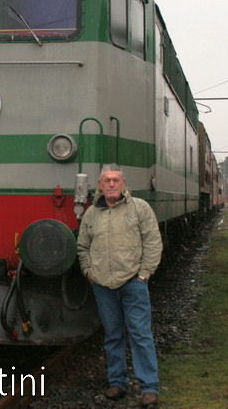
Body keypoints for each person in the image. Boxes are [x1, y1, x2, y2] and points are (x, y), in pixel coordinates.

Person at [77, 164, 163, 407]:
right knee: (112, 335)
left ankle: (149, 386)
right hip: (102, 284)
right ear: (100, 185)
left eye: (116, 180)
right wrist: (88, 272)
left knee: (140, 334)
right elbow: (82, 247)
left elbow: (153, 242)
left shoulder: (140, 208)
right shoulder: (92, 214)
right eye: (107, 181)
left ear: (124, 184)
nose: (112, 184)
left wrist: (144, 274)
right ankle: (117, 382)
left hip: (133, 282)